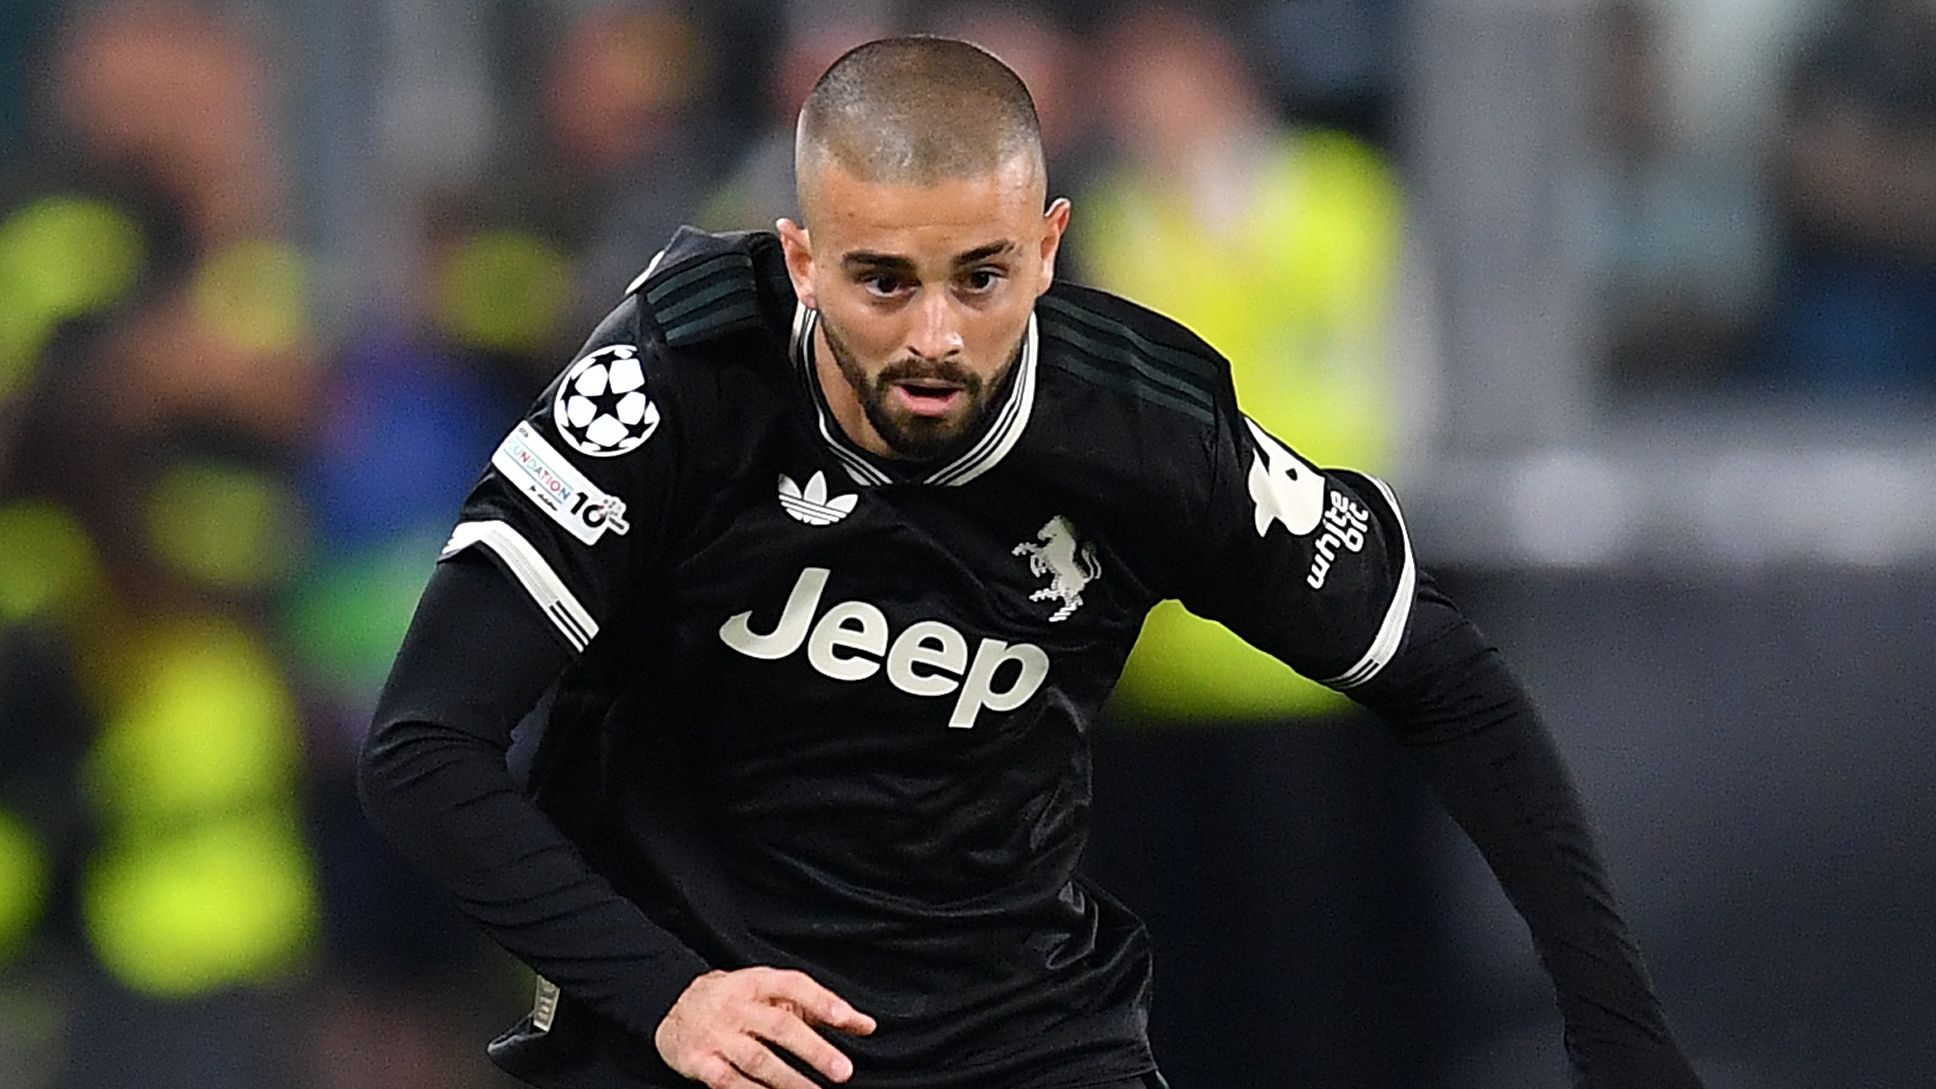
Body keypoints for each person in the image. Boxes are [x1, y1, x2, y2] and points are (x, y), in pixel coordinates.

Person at [360, 37, 1703, 1089]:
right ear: (802, 259)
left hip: (1018, 1038)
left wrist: (1622, 1035)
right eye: (884, 282)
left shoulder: (1145, 426)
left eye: (983, 277)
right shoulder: (671, 383)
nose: (936, 337)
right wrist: (666, 993)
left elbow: (1448, 678)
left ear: (1050, 247)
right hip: (707, 1037)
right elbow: (424, 749)